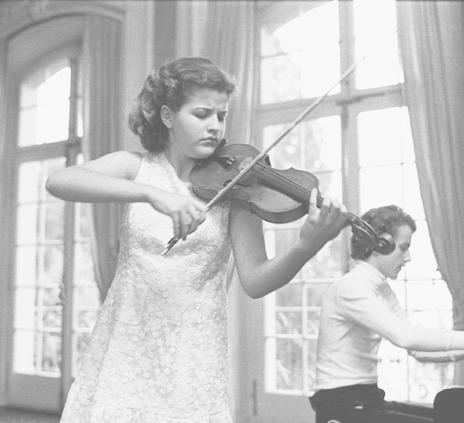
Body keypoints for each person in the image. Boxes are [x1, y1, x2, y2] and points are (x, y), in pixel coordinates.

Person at [47, 57, 348, 422]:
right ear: (168, 116)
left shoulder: (237, 188)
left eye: (221, 116)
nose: (215, 127)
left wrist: (306, 247)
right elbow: (60, 181)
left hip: (194, 354)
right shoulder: (136, 166)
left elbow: (256, 281)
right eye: (202, 114)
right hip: (126, 342)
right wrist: (152, 194)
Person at [310, 205, 464, 423]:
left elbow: (417, 350)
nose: (408, 257)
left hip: (366, 399)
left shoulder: (381, 289)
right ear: (380, 245)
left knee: (451, 416)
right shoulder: (351, 287)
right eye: (403, 248)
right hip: (341, 406)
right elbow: (405, 337)